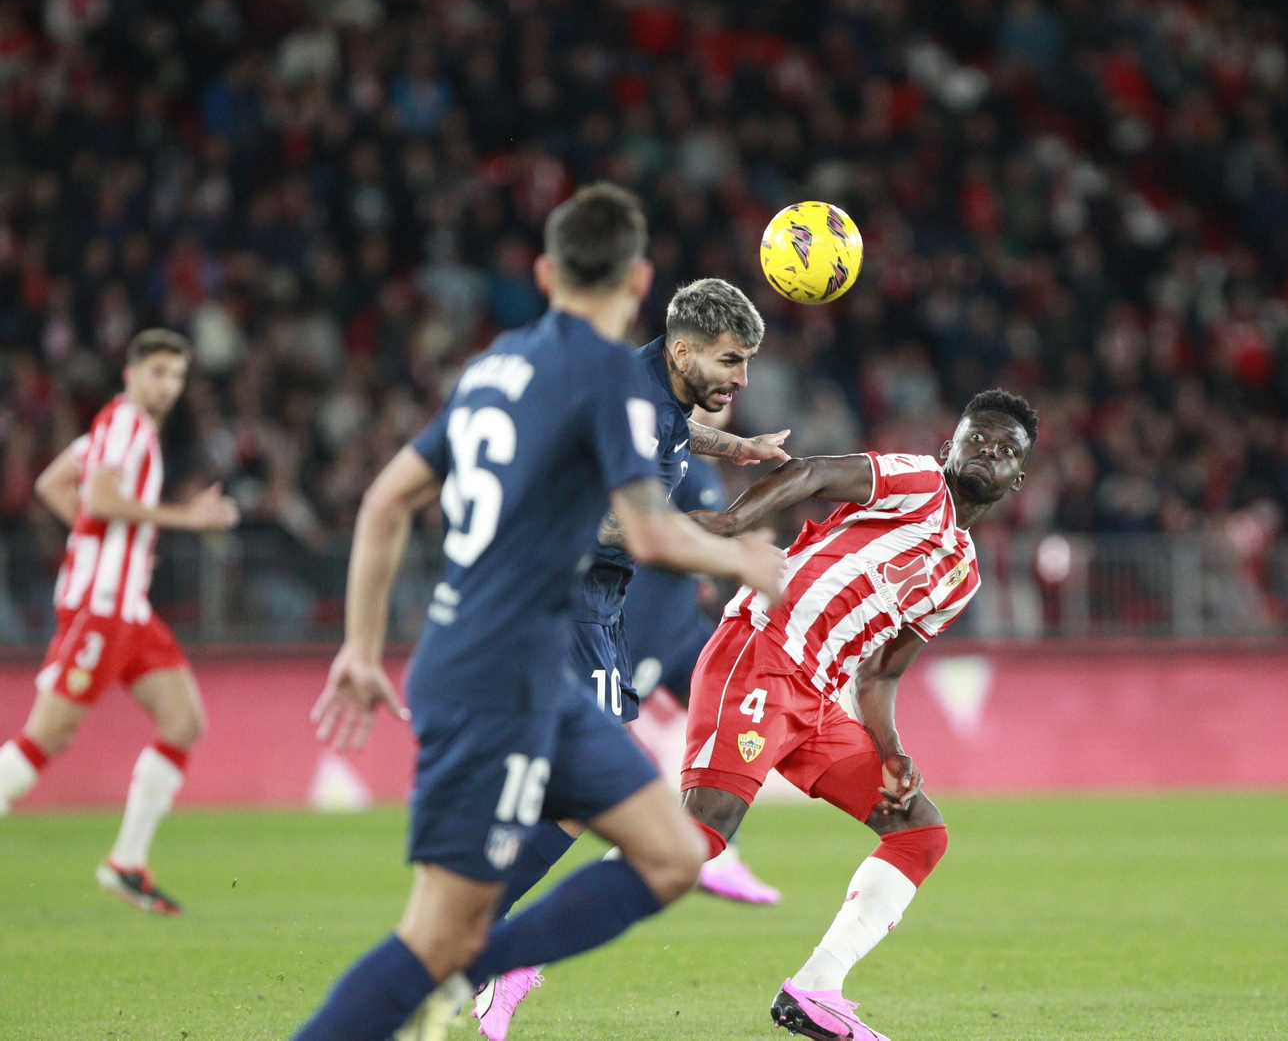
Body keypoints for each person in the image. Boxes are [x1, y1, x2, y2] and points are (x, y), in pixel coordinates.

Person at [288, 182, 784, 1041]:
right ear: (640, 283)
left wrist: (360, 648)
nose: (739, 380)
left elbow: (383, 501)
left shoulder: (497, 366)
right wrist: (743, 557)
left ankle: (474, 968)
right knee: (443, 927)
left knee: (668, 853)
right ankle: (469, 970)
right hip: (512, 659)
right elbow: (647, 534)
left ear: (549, 270)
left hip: (488, 650)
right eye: (731, 362)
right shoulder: (604, 378)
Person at [472, 279, 787, 1040]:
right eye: (731, 361)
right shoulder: (637, 402)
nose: (742, 379)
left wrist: (738, 447)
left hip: (590, 608)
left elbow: (674, 437)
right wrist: (721, 551)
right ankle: (487, 942)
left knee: (570, 788)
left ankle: (480, 930)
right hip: (570, 602)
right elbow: (619, 529)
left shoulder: (657, 391)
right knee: (594, 789)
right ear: (684, 350)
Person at [682, 389, 1037, 1041]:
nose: (990, 450)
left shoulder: (961, 574)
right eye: (978, 436)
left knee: (920, 832)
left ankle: (816, 987)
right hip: (762, 650)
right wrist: (733, 524)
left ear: (1018, 477)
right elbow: (811, 472)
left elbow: (879, 674)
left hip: (815, 698)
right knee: (697, 839)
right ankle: (514, 953)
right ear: (949, 445)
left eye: (1006, 449)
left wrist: (893, 750)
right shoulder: (920, 481)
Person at [0, 329, 240, 915]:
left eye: (177, 376)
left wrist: (103, 540)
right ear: (131, 373)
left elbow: (53, 484)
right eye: (158, 372)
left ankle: (126, 863)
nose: (168, 386)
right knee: (46, 737)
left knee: (183, 720)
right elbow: (102, 500)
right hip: (101, 607)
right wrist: (183, 518)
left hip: (130, 607)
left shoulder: (119, 428)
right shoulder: (128, 423)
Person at [630, 437, 783, 907]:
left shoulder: (683, 463)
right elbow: (658, 538)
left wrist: (702, 577)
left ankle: (719, 852)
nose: (728, 395)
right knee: (590, 737)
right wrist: (740, 553)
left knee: (734, 709)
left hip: (680, 629)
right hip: (643, 625)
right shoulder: (686, 471)